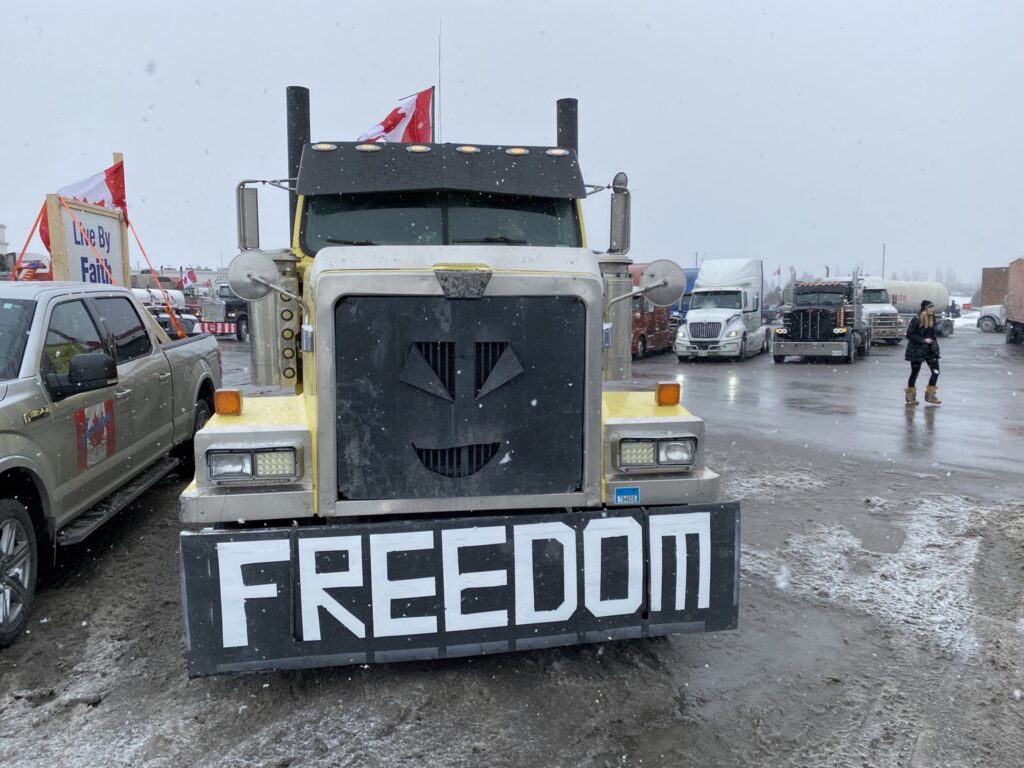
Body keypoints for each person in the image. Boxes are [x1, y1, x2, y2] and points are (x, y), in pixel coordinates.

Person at [904, 300, 941, 406]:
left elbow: (933, 334)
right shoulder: (916, 320)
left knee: (936, 371)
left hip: (930, 350)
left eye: (933, 307)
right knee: (915, 372)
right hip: (917, 349)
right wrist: (923, 340)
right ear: (924, 308)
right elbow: (909, 334)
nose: (932, 309)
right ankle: (910, 395)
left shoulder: (932, 318)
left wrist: (933, 343)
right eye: (930, 307)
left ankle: (930, 395)